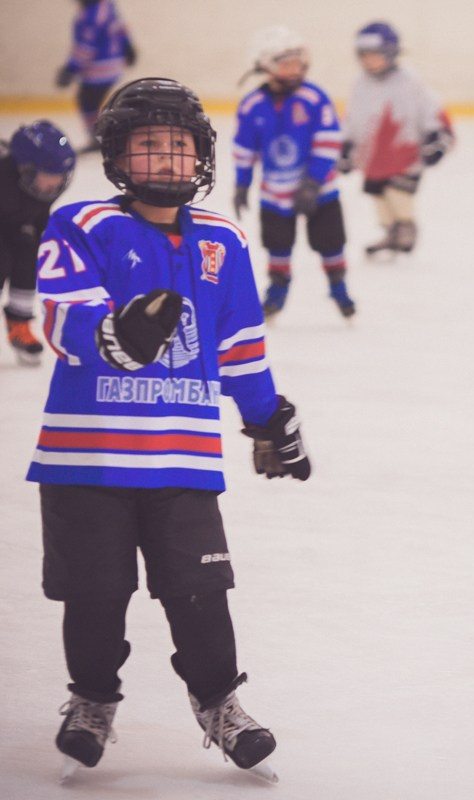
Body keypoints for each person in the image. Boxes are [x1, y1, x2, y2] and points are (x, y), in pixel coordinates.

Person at [28, 77, 312, 781]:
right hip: (86, 460)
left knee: (201, 594)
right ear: (117, 156)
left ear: (201, 156)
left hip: (182, 460)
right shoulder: (82, 224)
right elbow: (61, 316)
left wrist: (267, 416)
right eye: (147, 144)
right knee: (95, 597)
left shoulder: (223, 240)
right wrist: (113, 336)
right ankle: (92, 700)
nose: (164, 158)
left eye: (178, 145)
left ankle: (220, 704)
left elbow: (239, 345)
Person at [233, 25, 355, 318]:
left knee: (330, 241)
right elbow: (244, 148)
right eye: (286, 64)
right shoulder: (251, 106)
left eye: (298, 63)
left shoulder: (314, 98)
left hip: (321, 191)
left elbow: (328, 141)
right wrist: (242, 183)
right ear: (265, 65)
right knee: (277, 244)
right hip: (275, 194)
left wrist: (313, 182)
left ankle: (338, 285)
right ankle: (278, 288)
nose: (295, 69)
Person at [341, 21, 455, 257]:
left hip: (405, 153)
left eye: (376, 55)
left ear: (391, 53)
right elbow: (353, 119)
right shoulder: (360, 84)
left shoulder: (409, 81)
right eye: (365, 56)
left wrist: (437, 137)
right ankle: (390, 231)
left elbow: (429, 109)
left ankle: (406, 227)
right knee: (377, 194)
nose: (370, 61)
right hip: (374, 156)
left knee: (397, 192)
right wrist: (345, 146)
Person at [1, 121, 76, 365]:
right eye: (50, 176)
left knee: (29, 254)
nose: (56, 183)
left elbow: (37, 216)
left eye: (60, 176)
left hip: (12, 222)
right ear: (24, 168)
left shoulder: (38, 186)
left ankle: (19, 323)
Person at [55, 0, 136, 153]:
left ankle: (98, 138)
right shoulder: (107, 6)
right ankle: (102, 136)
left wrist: (70, 69)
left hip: (99, 69)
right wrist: (128, 46)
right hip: (113, 65)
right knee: (92, 102)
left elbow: (86, 47)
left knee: (87, 102)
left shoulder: (89, 17)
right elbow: (120, 27)